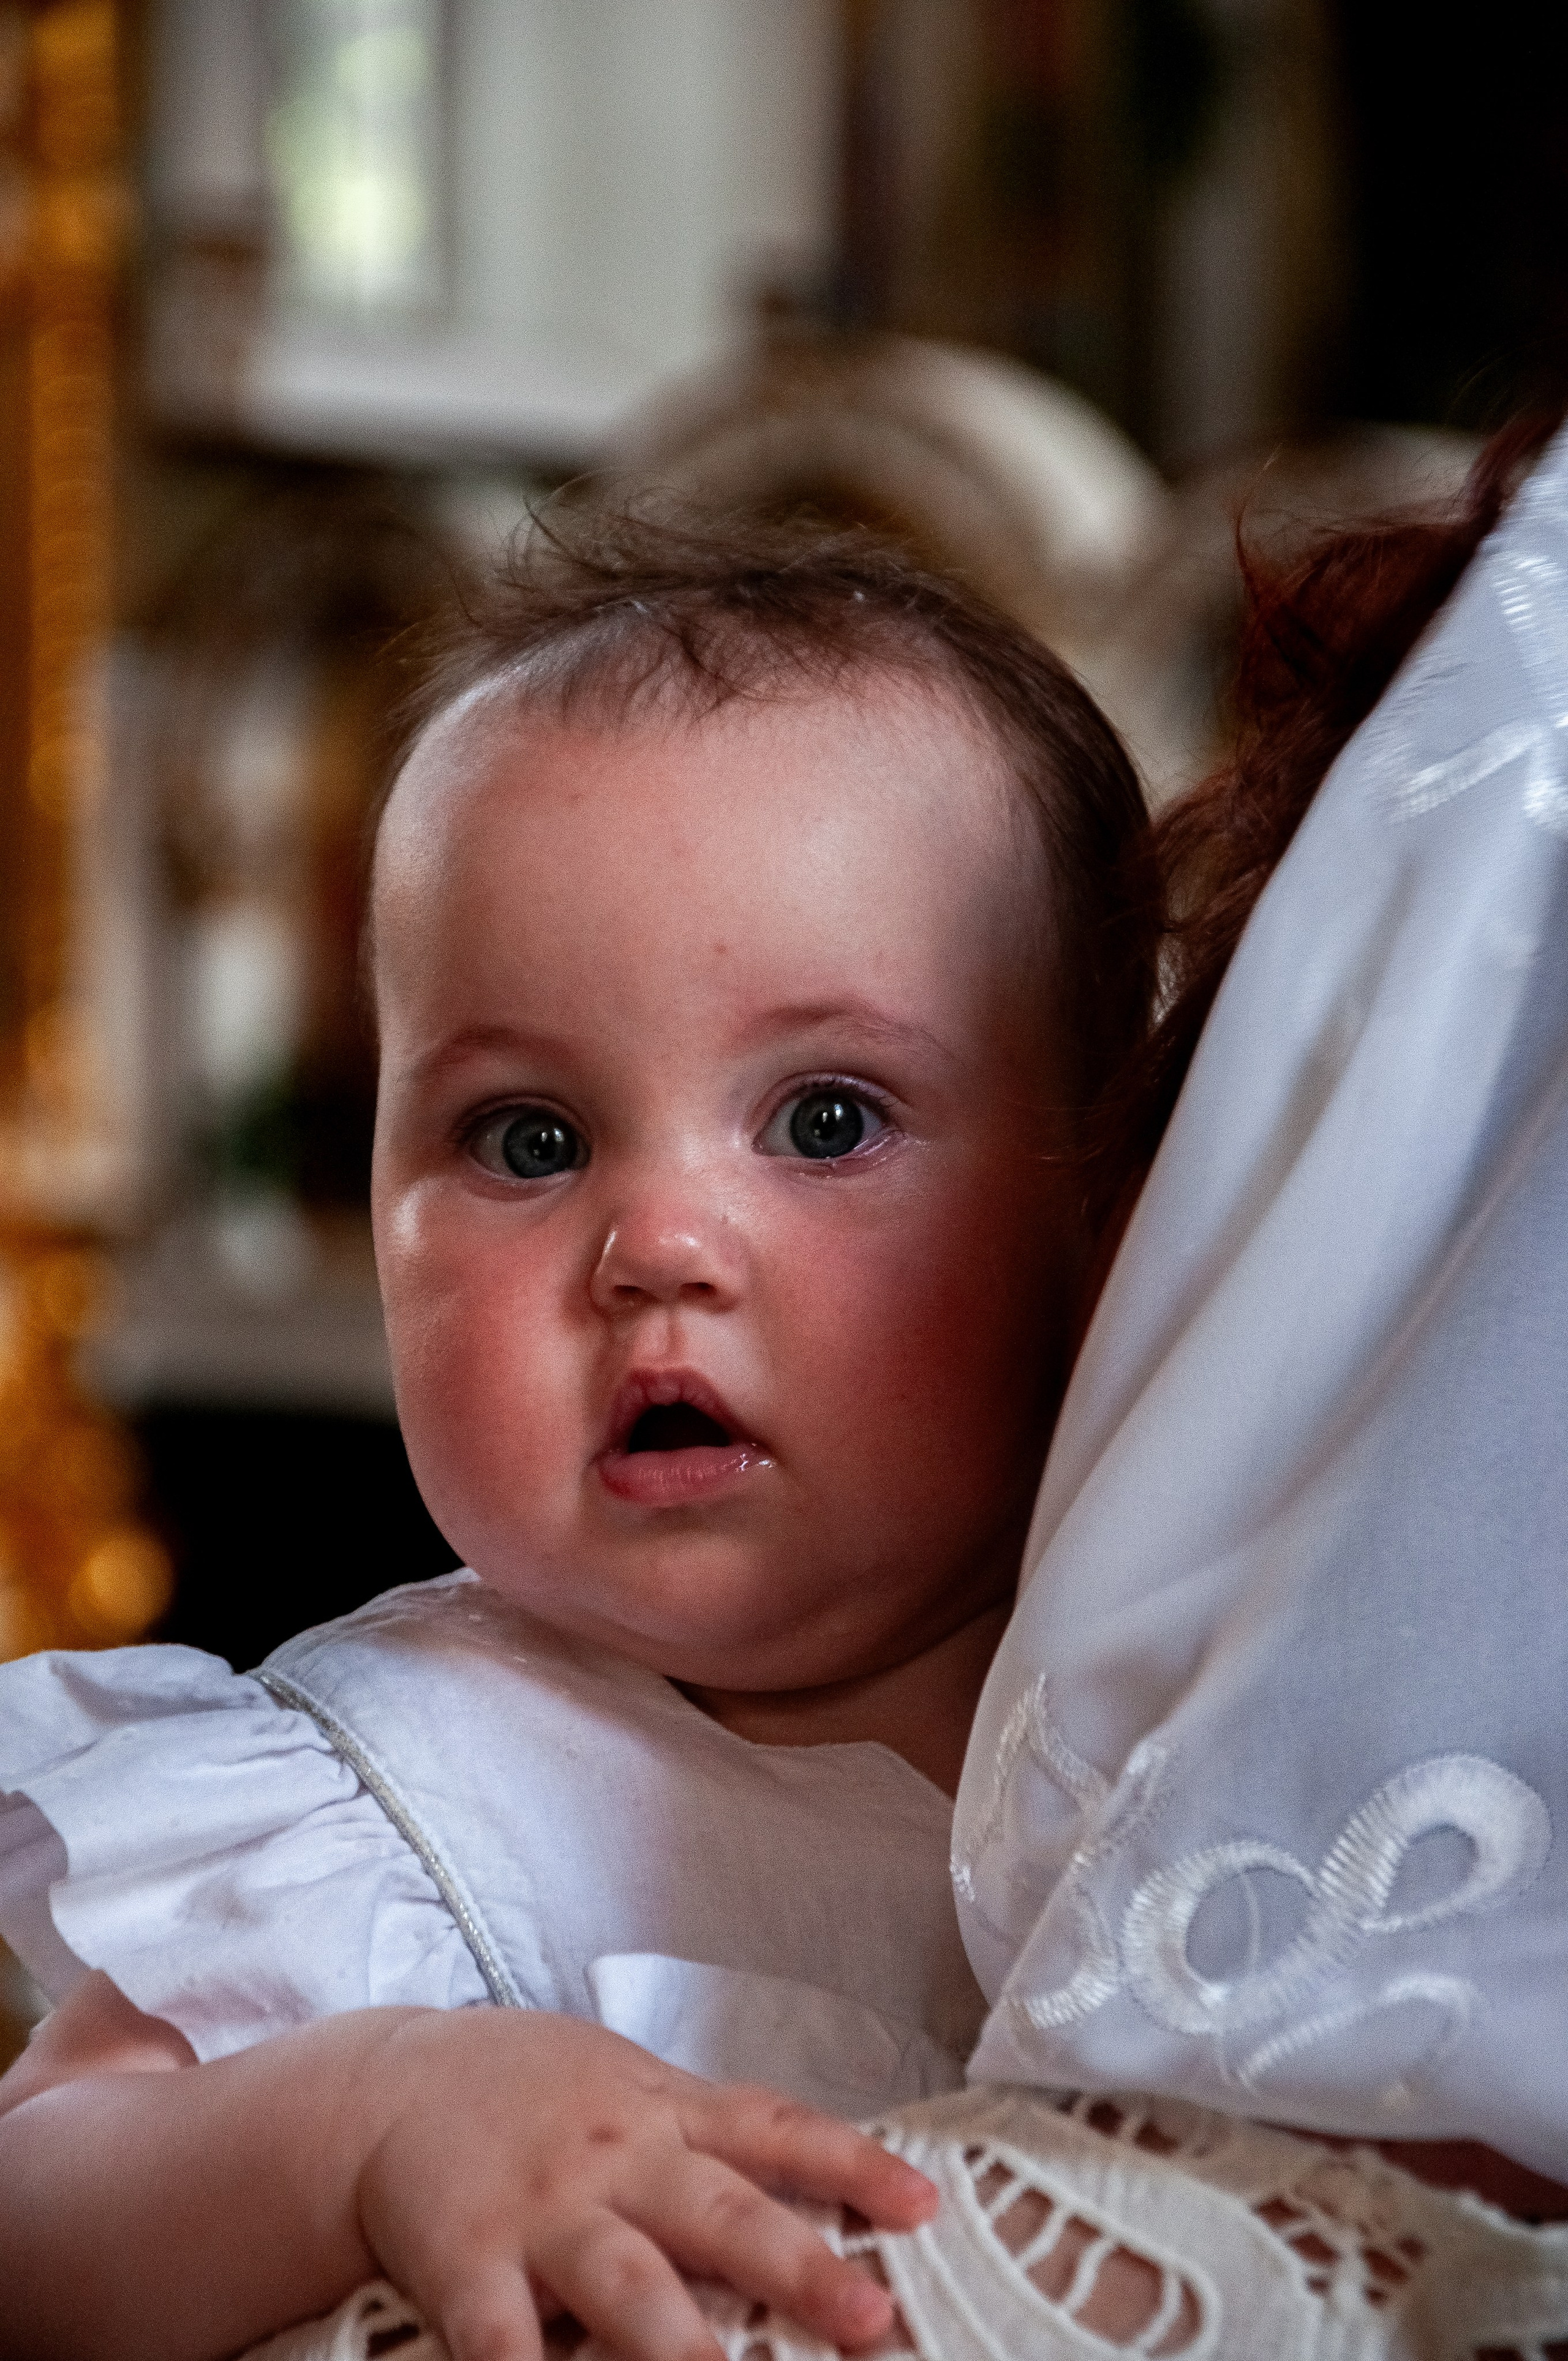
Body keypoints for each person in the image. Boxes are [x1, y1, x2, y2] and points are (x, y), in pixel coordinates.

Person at [0, 508, 1157, 2361]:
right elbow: (34, 2223)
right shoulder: (403, 1797)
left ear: (1109, 1198)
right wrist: (369, 2120)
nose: (656, 1247)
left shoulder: (1200, 1725)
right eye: (528, 1140)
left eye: (828, 1120)